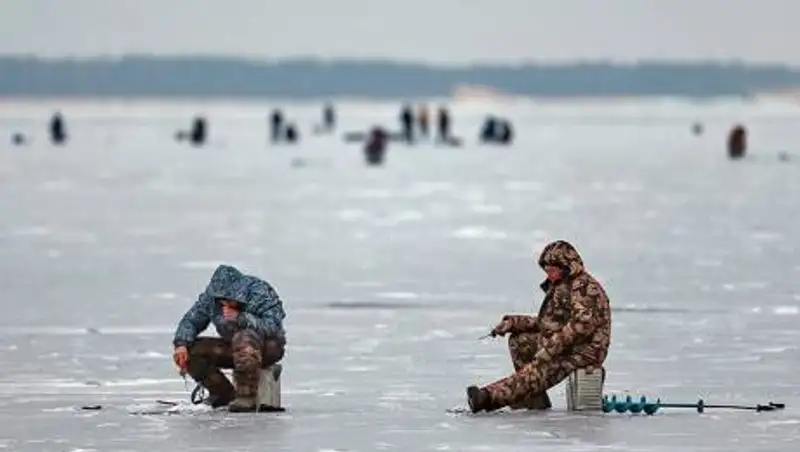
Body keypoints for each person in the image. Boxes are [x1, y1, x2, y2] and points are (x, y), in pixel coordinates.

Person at [466, 240, 611, 413]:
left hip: (584, 351)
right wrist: (513, 323)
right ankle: (532, 401)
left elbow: (581, 325)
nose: (549, 275)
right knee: (520, 340)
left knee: (539, 368)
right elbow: (547, 324)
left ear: (566, 266)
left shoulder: (585, 288)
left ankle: (488, 397)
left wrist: (550, 348)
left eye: (553, 270)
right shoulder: (563, 286)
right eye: (547, 271)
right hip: (567, 344)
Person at [172, 264, 287, 412]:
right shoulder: (211, 299)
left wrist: (241, 318)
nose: (224, 303)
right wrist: (181, 344)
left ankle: (246, 396)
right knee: (193, 350)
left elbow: (273, 326)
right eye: (221, 300)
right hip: (234, 347)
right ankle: (223, 394)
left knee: (244, 336)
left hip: (267, 348)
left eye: (228, 298)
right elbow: (192, 320)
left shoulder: (260, 293)